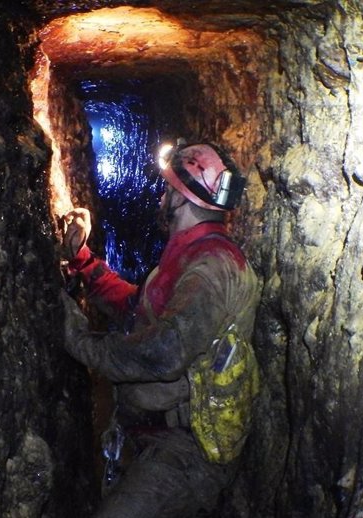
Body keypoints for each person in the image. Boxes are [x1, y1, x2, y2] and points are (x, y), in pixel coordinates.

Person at [60, 142, 261, 517]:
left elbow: (162, 353)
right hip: (152, 433)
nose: (160, 197)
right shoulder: (190, 253)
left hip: (186, 449)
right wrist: (85, 264)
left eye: (166, 189)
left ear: (181, 199)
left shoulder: (213, 267)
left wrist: (79, 342)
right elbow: (140, 309)